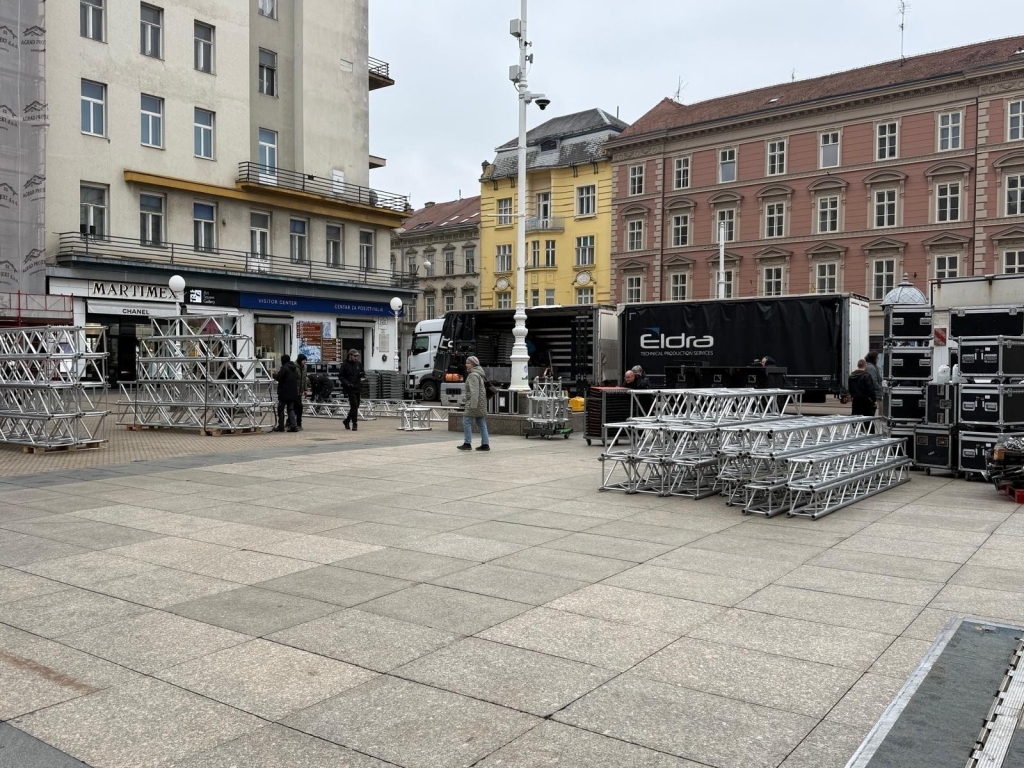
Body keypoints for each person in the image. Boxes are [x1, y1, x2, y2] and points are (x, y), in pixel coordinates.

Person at [458, 355, 490, 452]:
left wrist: (472, 405)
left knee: (466, 421)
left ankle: (467, 443)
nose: (466, 365)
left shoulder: (473, 375)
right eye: (466, 363)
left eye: (468, 363)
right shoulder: (479, 373)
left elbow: (474, 391)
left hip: (474, 402)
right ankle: (485, 444)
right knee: (481, 422)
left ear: (473, 364)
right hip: (481, 402)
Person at [272, 354, 300, 432]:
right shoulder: (294, 369)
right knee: (290, 409)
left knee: (281, 409)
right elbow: (297, 378)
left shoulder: (284, 368)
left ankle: (281, 426)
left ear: (283, 360)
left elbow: (279, 377)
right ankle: (294, 426)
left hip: (284, 393)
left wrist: (273, 374)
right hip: (293, 393)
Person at [339, 348, 364, 431]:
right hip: (350, 388)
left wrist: (362, 374)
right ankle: (354, 423)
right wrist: (347, 383)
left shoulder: (358, 364)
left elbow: (362, 373)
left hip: (357, 387)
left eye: (357, 356)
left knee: (356, 405)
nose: (356, 358)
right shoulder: (344, 365)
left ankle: (347, 420)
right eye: (354, 356)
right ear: (350, 355)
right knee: (354, 405)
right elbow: (341, 376)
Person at [294, 354, 309, 430]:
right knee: (297, 407)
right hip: (294, 391)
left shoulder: (305, 368)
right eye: (303, 360)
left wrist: (305, 389)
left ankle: (297, 423)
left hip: (300, 391)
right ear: (300, 360)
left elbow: (304, 379)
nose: (305, 362)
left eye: (305, 360)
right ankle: (295, 423)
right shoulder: (294, 367)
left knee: (298, 407)